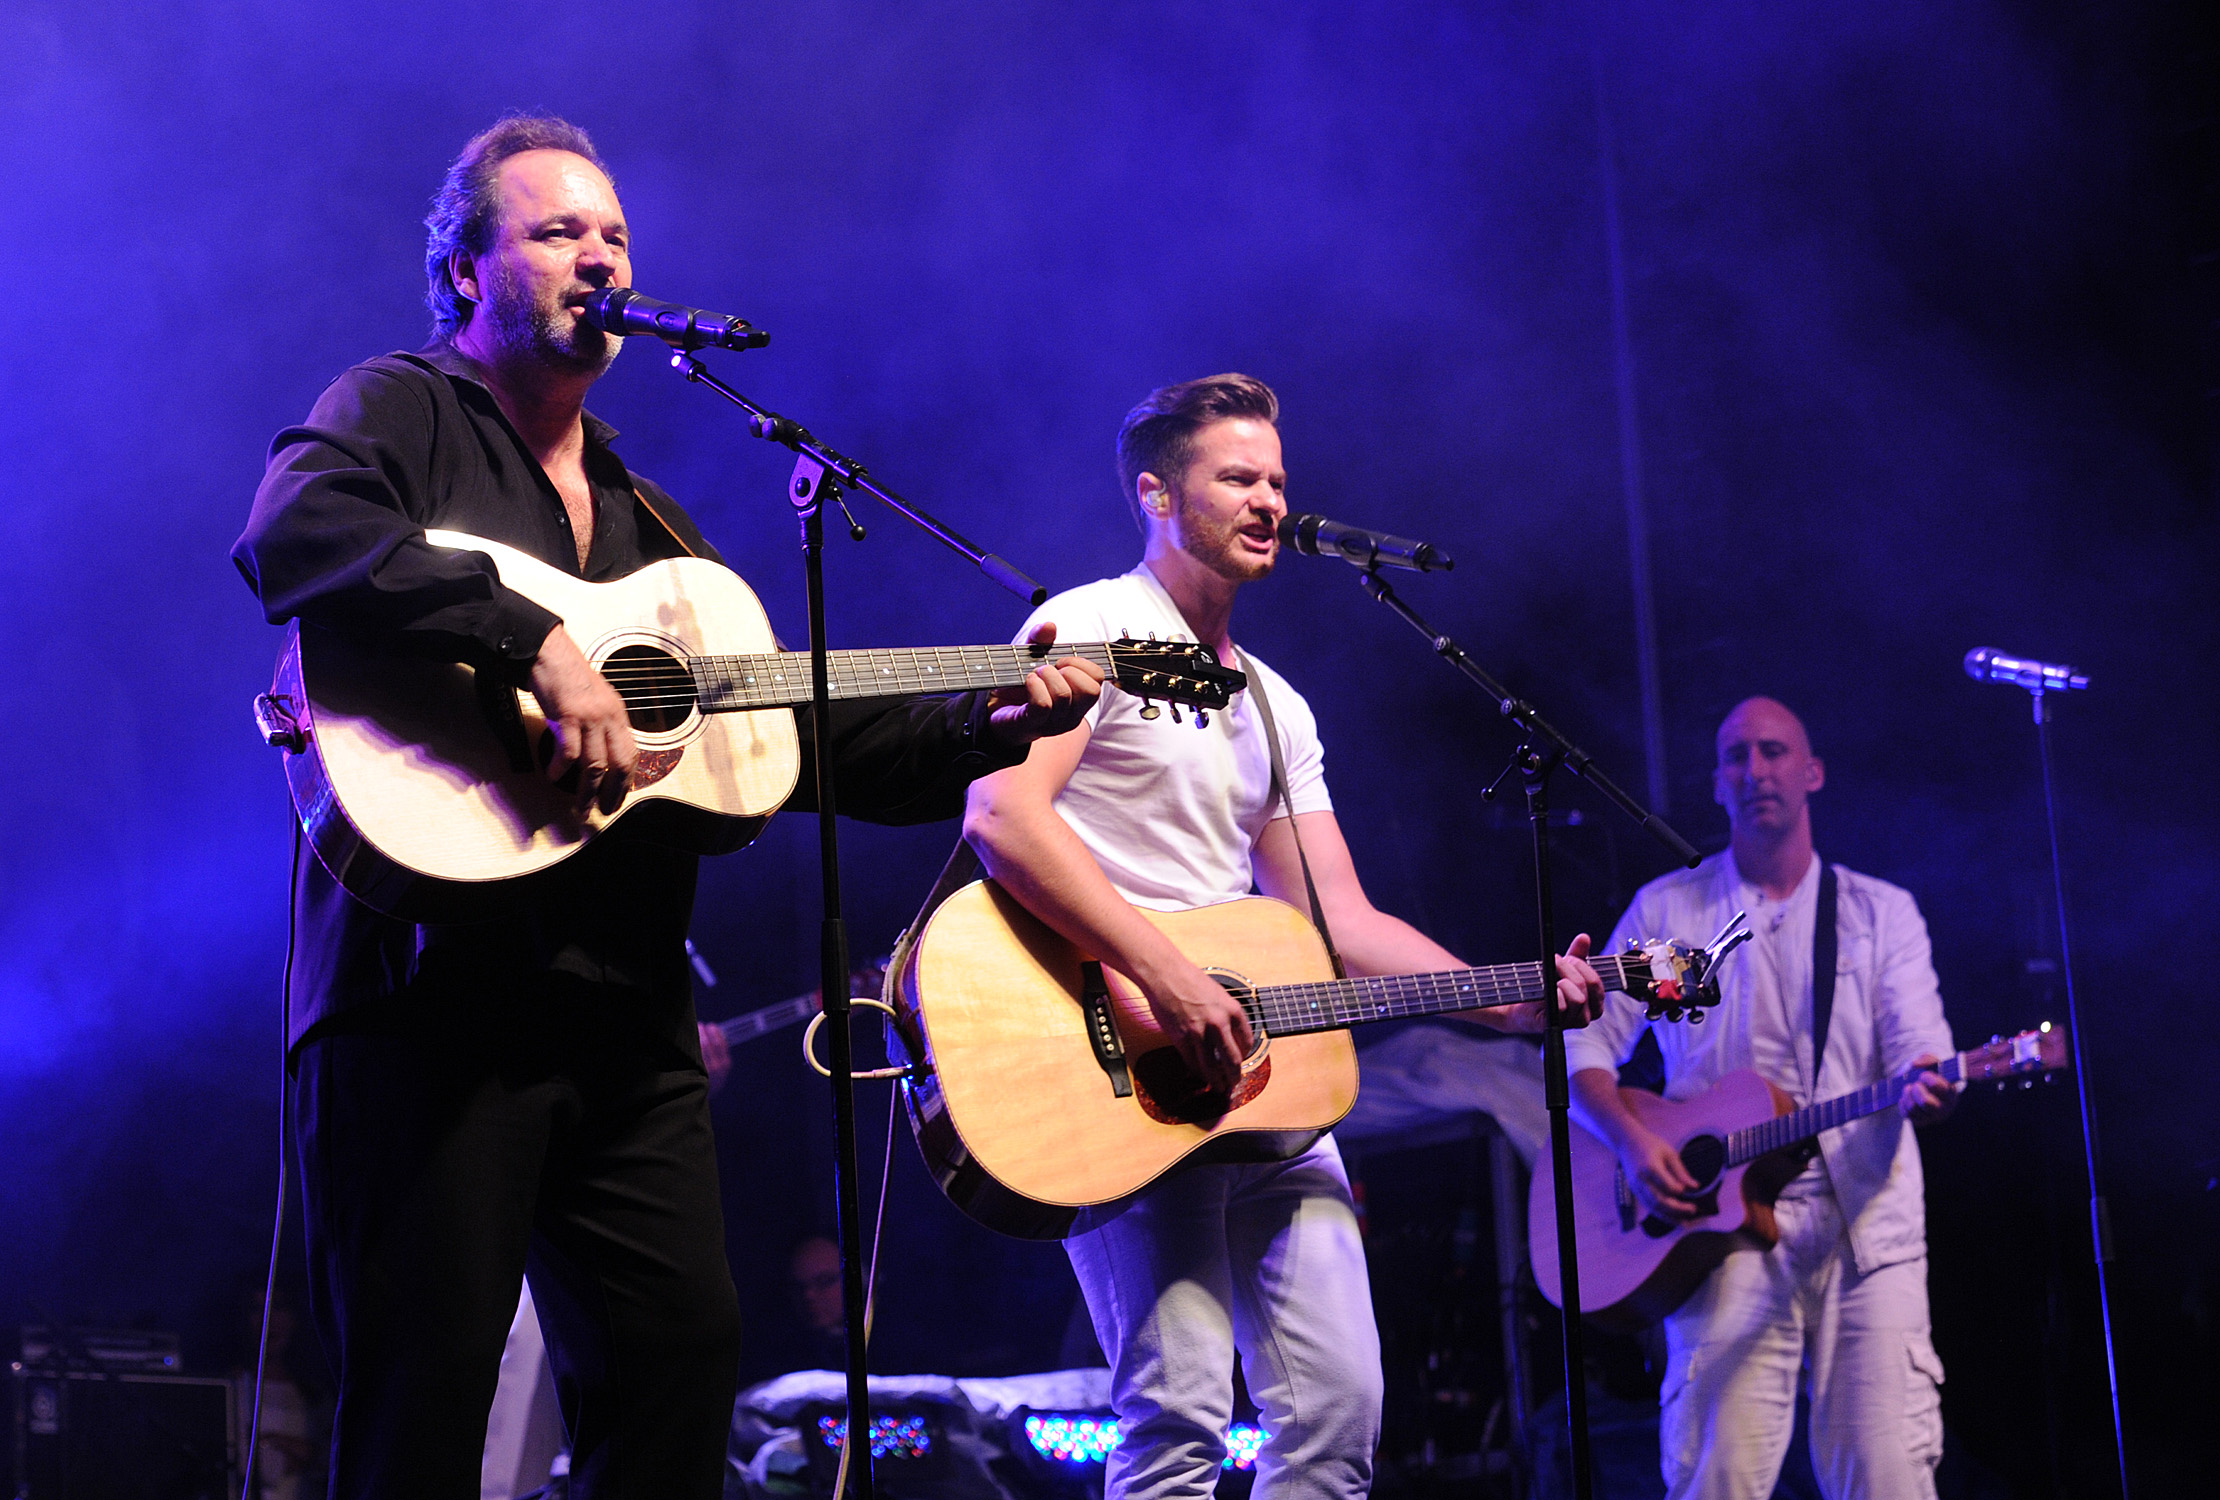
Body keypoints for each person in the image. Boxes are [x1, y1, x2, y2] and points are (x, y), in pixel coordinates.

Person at [231, 115, 1100, 1500]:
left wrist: (967, 727)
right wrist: (533, 637)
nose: (601, 255)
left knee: (679, 1371)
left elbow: (780, 751)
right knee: (421, 1406)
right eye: (559, 231)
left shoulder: (661, 532)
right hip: (427, 1000)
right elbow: (297, 533)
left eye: (616, 235)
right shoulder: (397, 410)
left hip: (624, 1020)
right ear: (468, 271)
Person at [960, 373, 1604, 1500]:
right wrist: (1165, 974)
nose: (1268, 501)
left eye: (1277, 481)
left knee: (1341, 1414)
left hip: (1267, 1086)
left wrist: (1501, 997)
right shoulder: (1090, 626)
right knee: (1179, 1415)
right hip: (1114, 1063)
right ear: (1158, 494)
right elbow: (1000, 816)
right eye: (1238, 478)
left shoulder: (1275, 702)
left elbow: (1336, 920)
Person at [1565, 697, 1959, 1500]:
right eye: (1736, 756)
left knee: (1889, 1477)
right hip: (1720, 1231)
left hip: (1868, 1231)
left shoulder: (1879, 914)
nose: (1756, 770)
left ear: (1811, 773)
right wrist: (1638, 1148)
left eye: (1774, 751)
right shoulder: (1671, 915)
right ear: (1716, 783)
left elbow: (1922, 1047)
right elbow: (1583, 1043)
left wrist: (1931, 1080)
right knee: (1717, 1480)